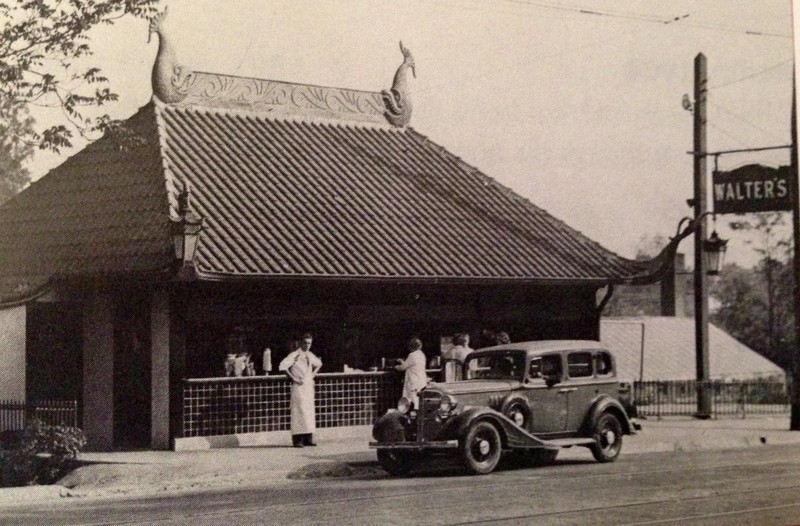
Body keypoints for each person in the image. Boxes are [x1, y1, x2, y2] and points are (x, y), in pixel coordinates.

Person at [279, 332, 322, 447]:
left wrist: (313, 374)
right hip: (298, 387)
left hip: (308, 386)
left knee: (309, 412)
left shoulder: (310, 355)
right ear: (300, 343)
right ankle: (298, 440)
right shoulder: (294, 355)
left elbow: (319, 364)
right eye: (306, 343)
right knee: (299, 411)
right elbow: (282, 366)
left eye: (310, 343)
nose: (308, 345)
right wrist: (293, 378)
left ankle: (308, 438)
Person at [394, 337, 427, 408]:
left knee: (412, 402)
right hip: (421, 382)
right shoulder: (421, 354)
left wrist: (395, 367)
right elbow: (411, 365)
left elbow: (402, 368)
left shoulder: (412, 355)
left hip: (413, 383)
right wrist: (403, 362)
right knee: (418, 402)